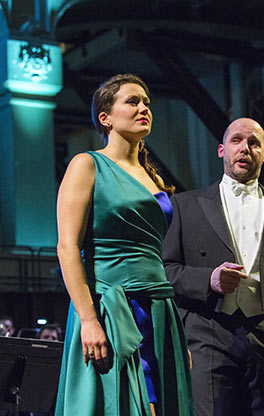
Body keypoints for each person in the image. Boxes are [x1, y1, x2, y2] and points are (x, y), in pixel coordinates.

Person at [55, 74, 193, 415]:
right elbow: (67, 247)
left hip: (160, 307)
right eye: (132, 101)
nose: (143, 108)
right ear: (106, 117)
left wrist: (177, 338)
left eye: (147, 102)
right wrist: (88, 320)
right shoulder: (87, 165)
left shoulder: (155, 177)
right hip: (112, 307)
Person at [163, 117, 264, 416]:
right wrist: (208, 280)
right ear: (221, 150)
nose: (245, 148)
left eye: (254, 143)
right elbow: (164, 271)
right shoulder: (184, 206)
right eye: (236, 140)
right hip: (208, 333)